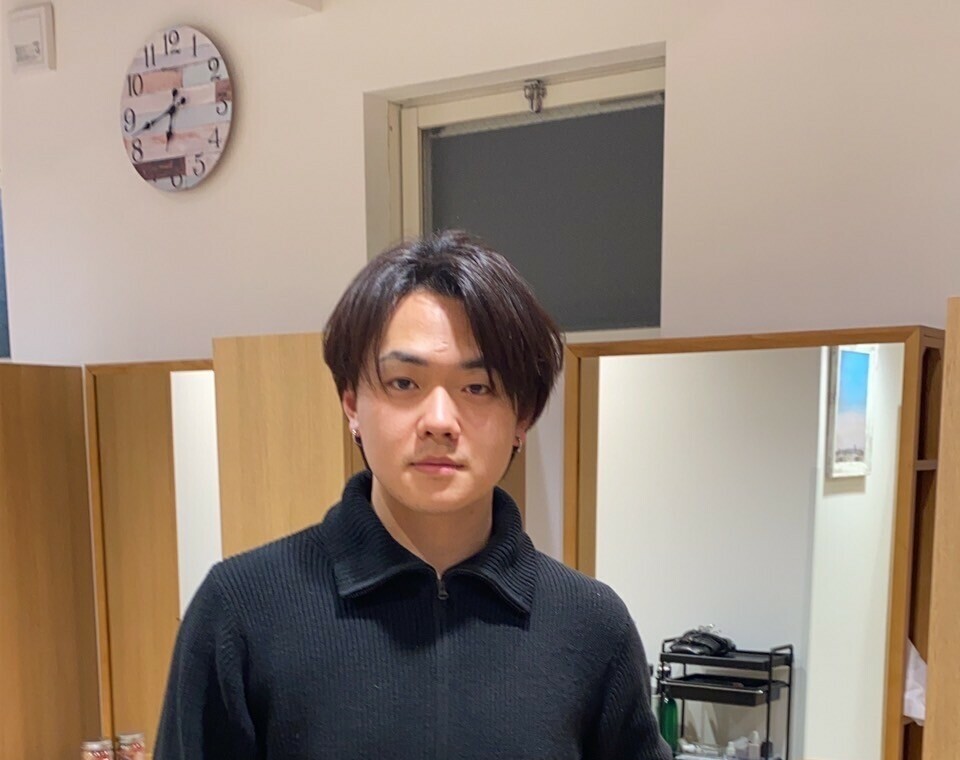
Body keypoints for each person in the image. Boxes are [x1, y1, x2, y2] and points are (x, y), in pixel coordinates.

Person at [154, 230, 671, 759]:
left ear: (522, 416)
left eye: (477, 387)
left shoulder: (591, 626)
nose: (440, 421)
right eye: (404, 383)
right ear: (352, 404)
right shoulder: (241, 610)